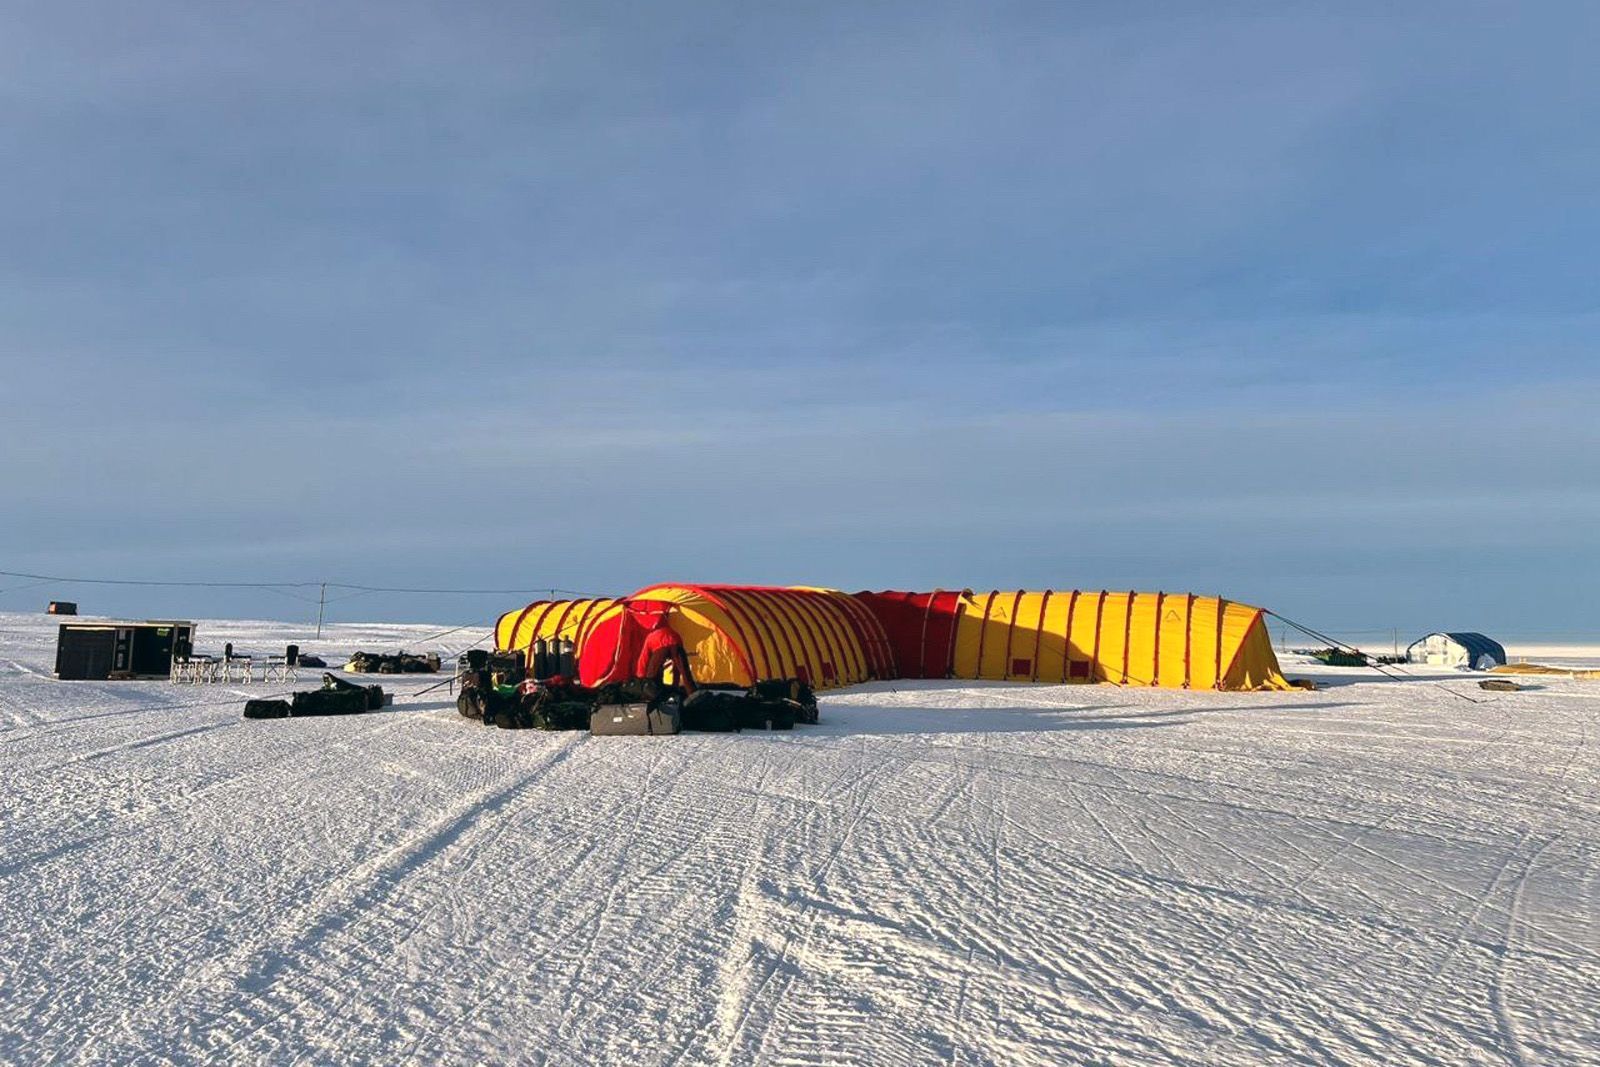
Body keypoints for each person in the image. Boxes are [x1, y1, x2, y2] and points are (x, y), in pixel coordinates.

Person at [635, 611, 696, 702]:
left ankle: (653, 696)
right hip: (676, 643)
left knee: (652, 675)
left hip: (660, 647)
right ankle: (693, 697)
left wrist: (641, 679)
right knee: (685, 673)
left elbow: (643, 660)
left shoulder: (650, 637)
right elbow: (677, 667)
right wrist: (675, 685)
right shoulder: (674, 632)